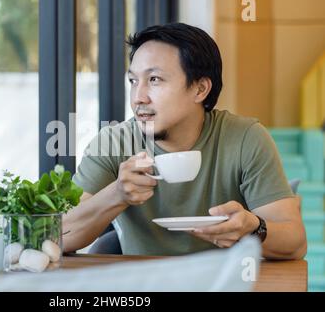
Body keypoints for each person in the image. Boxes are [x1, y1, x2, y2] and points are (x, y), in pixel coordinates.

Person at [63, 23, 306, 259]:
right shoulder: (113, 143)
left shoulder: (245, 138)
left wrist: (252, 228)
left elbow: (294, 243)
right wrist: (117, 194)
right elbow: (56, 236)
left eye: (155, 79)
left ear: (200, 89)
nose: (138, 97)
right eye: (133, 81)